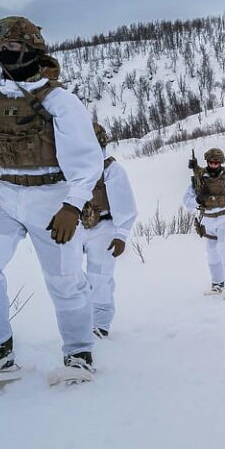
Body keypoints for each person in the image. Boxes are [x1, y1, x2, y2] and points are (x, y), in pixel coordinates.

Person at [0, 16, 102, 376]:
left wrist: (72, 205)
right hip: (5, 193)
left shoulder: (59, 101)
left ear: (33, 48)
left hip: (52, 196)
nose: (6, 52)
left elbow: (87, 161)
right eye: (0, 47)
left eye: (14, 46)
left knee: (65, 279)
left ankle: (79, 354)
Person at [79, 123, 138, 338]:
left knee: (100, 277)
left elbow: (126, 205)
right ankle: (78, 320)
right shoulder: (71, 167)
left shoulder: (111, 170)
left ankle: (100, 324)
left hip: (103, 227)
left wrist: (121, 235)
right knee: (69, 275)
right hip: (75, 227)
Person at [184, 148, 225, 299]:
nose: (213, 165)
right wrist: (198, 199)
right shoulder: (199, 179)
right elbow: (186, 201)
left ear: (221, 162)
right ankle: (217, 284)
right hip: (208, 219)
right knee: (212, 253)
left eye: (216, 162)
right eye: (211, 162)